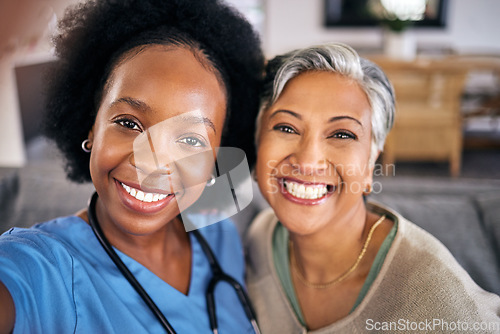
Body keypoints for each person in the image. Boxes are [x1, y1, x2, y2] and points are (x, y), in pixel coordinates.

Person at [0, 0, 264, 333]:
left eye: (192, 141)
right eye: (129, 123)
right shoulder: (38, 267)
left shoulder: (219, 234)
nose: (153, 163)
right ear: (91, 126)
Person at [245, 43, 500, 333]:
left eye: (342, 134)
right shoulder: (259, 239)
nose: (307, 161)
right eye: (286, 128)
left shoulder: (439, 303)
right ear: (257, 143)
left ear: (369, 164)